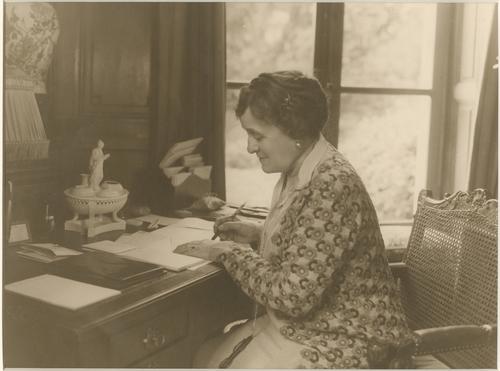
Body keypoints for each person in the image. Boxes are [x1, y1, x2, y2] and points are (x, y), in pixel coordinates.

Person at [175, 71, 411, 368]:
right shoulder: (304, 168)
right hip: (316, 324)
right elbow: (316, 247)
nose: (249, 147)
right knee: (205, 355)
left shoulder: (331, 183)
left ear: (295, 130)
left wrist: (229, 253)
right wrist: (258, 235)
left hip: (350, 335)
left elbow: (293, 297)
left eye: (257, 135)